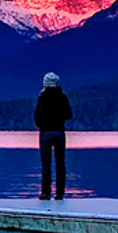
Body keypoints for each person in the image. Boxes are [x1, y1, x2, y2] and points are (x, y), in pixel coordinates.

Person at [33, 71, 72, 199]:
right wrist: (59, 120)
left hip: (45, 133)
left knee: (46, 164)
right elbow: (69, 114)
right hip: (59, 132)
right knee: (60, 163)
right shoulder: (63, 97)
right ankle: (60, 193)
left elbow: (37, 117)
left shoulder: (42, 97)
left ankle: (46, 192)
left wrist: (42, 124)